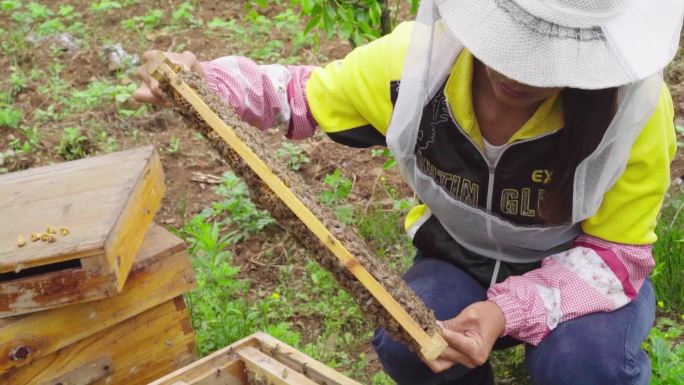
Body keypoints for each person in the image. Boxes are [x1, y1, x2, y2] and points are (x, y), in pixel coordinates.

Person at [135, 0, 683, 384]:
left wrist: (503, 313)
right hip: (457, 257)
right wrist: (203, 82)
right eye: (509, 47)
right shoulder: (415, 67)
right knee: (412, 343)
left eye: (544, 62)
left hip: (575, 267)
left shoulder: (633, 113)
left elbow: (616, 257)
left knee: (584, 365)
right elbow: (297, 96)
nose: (516, 75)